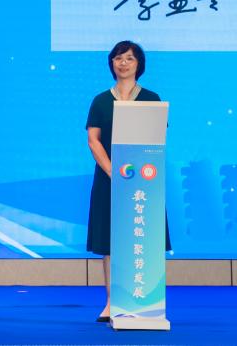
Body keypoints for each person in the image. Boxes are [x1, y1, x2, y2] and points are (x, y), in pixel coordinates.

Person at [85, 40, 166, 322]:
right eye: (118, 58)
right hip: (109, 180)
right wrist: (113, 172)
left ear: (139, 64)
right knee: (109, 240)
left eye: (129, 58)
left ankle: (144, 300)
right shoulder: (100, 101)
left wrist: (134, 175)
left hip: (144, 182)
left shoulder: (152, 99)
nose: (123, 63)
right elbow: (93, 140)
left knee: (143, 235)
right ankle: (111, 301)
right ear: (112, 63)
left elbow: (156, 138)